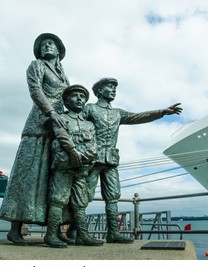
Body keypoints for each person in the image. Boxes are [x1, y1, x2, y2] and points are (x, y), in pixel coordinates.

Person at [84, 77, 183, 243]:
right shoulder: (89, 109)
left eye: (115, 87)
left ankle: (113, 233)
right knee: (84, 194)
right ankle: (74, 229)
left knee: (113, 196)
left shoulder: (117, 113)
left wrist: (162, 112)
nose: (114, 89)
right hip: (92, 159)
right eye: (110, 86)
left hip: (111, 161)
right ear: (99, 91)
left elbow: (138, 117)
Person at [0, 33, 70, 244]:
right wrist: (50, 112)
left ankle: (53, 229)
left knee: (52, 178)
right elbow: (35, 90)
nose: (47, 46)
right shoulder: (36, 65)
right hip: (38, 125)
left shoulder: (64, 76)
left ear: (59, 51)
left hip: (57, 128)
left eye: (51, 44)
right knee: (28, 174)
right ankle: (15, 228)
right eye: (44, 44)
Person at [44, 84, 104, 248]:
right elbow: (61, 137)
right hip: (64, 168)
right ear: (65, 100)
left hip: (81, 169)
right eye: (74, 95)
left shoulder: (89, 125)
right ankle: (50, 235)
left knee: (80, 202)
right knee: (58, 200)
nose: (79, 98)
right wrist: (73, 153)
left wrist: (79, 157)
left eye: (82, 96)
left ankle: (82, 236)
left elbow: (93, 148)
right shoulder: (60, 118)